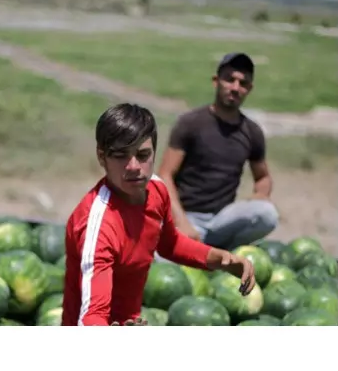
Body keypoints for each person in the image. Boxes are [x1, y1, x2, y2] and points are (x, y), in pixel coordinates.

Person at [61, 103, 256, 327]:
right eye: (121, 156)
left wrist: (221, 260)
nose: (134, 166)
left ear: (154, 151)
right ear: (102, 157)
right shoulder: (99, 226)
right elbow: (92, 317)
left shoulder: (157, 189)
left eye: (143, 155)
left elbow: (168, 243)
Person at [156, 53, 279, 252]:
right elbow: (164, 175)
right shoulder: (190, 123)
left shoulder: (252, 132)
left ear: (249, 89)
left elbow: (263, 177)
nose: (235, 87)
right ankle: (203, 250)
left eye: (243, 83)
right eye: (230, 80)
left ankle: (220, 252)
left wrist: (261, 194)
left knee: (267, 214)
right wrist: (181, 222)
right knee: (161, 256)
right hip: (187, 216)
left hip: (223, 219)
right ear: (216, 82)